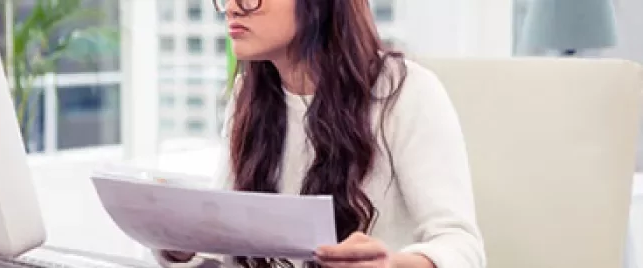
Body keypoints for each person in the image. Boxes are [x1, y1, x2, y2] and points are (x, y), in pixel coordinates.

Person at [153, 0, 486, 267]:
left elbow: (463, 248)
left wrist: (394, 265)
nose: (233, 7)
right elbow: (227, 250)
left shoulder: (405, 91)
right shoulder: (248, 95)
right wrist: (180, 246)